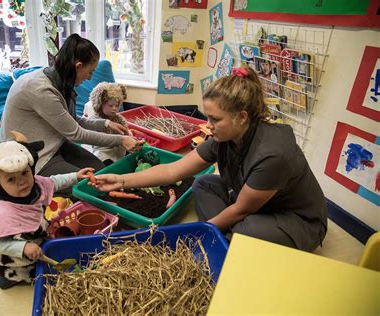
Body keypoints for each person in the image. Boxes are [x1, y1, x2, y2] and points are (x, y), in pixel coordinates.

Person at [92, 66, 327, 252]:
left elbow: (239, 211)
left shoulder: (272, 155)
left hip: (297, 220)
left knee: (245, 229)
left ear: (242, 117)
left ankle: (227, 238)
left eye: (215, 119)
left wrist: (195, 235)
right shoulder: (226, 136)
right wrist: (121, 180)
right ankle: (226, 236)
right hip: (258, 206)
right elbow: (173, 171)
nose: (208, 126)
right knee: (202, 183)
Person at [0, 33, 140, 195]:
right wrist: (121, 140)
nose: (90, 77)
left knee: (102, 172)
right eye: (90, 72)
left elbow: (73, 121)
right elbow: (76, 134)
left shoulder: (60, 82)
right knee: (90, 189)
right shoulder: (41, 89)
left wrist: (106, 124)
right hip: (34, 157)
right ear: (78, 66)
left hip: (54, 144)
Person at [0, 132, 95, 289]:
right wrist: (23, 247)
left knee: (14, 242)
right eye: (11, 179)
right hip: (19, 253)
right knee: (6, 255)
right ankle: (8, 276)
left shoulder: (36, 186)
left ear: (31, 168)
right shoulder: (4, 212)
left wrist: (75, 176)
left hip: (35, 235)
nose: (22, 182)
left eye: (25, 173)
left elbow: (54, 182)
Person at [82, 82, 129, 165]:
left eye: (117, 105)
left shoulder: (118, 118)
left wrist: (128, 135)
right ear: (100, 104)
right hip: (102, 151)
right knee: (102, 159)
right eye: (110, 106)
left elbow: (126, 131)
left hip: (118, 149)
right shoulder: (94, 120)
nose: (114, 108)